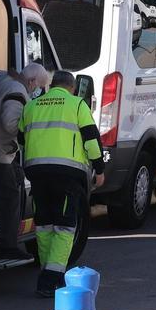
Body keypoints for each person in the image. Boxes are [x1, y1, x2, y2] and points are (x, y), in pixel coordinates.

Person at [20, 70, 105, 297]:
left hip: (37, 173)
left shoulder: (32, 105)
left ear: (52, 84)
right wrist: (99, 168)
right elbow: (91, 139)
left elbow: (20, 137)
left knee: (44, 224)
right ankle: (52, 278)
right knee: (65, 226)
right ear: (73, 88)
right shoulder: (77, 105)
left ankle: (45, 273)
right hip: (67, 175)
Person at [0, 63, 50, 261]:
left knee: (15, 184)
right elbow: (10, 123)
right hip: (0, 152)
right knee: (10, 197)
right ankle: (7, 246)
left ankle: (7, 239)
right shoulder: (18, 91)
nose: (37, 91)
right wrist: (30, 131)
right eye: (38, 86)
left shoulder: (0, 76)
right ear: (31, 81)